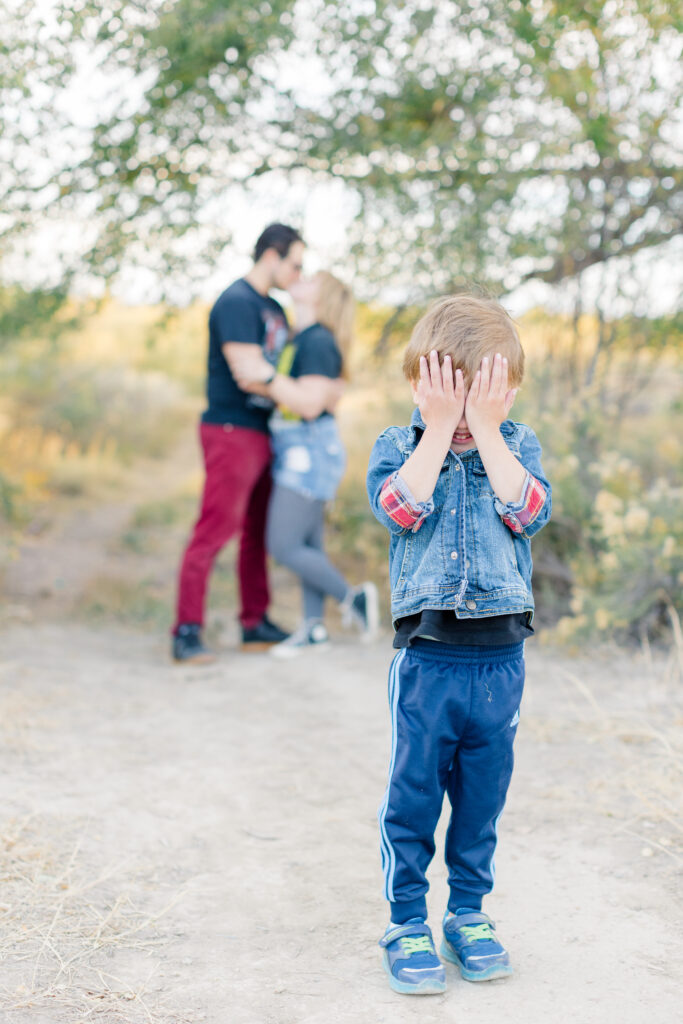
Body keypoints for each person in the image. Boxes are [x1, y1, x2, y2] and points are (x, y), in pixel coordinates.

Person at [366, 294, 551, 994]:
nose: (466, 415)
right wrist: (439, 430)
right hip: (428, 660)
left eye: (480, 396)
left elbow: (527, 512)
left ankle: (467, 913)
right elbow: (398, 511)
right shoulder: (399, 447)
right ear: (419, 385)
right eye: (448, 393)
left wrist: (486, 428)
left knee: (481, 799)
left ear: (505, 393)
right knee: (414, 794)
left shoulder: (516, 445)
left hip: (500, 663)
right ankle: (406, 919)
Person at [172, 223, 305, 663]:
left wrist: (287, 389)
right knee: (215, 529)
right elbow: (247, 371)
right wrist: (301, 397)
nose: (298, 275)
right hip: (230, 430)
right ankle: (186, 630)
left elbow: (271, 369)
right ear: (272, 254)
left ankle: (254, 622)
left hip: (264, 429)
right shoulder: (235, 301)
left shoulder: (276, 309)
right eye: (295, 264)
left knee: (256, 533)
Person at [230, 271, 379, 656]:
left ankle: (353, 598)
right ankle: (313, 628)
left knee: (283, 544)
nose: (301, 277)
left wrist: (265, 375)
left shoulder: (317, 341)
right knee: (309, 544)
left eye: (311, 278)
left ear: (322, 296)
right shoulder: (306, 338)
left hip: (308, 453)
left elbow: (310, 404)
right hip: (304, 450)